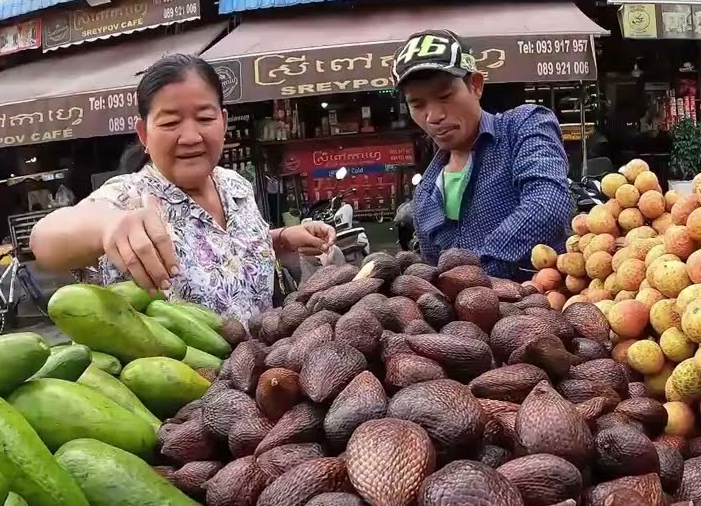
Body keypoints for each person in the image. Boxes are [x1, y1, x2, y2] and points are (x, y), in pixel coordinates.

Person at [30, 54, 337, 322]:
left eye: (204, 118)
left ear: (224, 122)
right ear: (144, 134)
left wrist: (282, 238)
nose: (190, 136)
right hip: (181, 386)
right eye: (170, 122)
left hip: (257, 377)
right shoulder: (130, 198)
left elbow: (221, 252)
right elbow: (44, 241)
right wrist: (107, 226)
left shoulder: (235, 185)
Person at [394, 29, 573, 278]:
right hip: (471, 315)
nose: (433, 116)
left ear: (475, 85)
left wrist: (474, 274)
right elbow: (434, 276)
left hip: (544, 308)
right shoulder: (425, 196)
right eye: (418, 104)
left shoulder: (523, 126)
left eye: (445, 95)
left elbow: (548, 204)